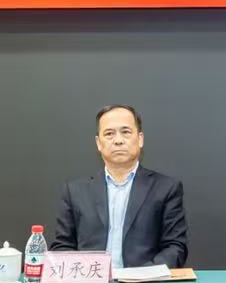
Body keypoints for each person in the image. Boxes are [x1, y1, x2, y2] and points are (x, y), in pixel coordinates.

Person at [52, 105, 189, 268]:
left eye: (126, 132)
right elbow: (62, 247)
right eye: (109, 134)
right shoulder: (75, 191)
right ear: (98, 143)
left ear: (140, 139)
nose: (118, 140)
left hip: (144, 282)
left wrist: (141, 276)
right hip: (91, 281)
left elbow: (175, 248)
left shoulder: (166, 188)